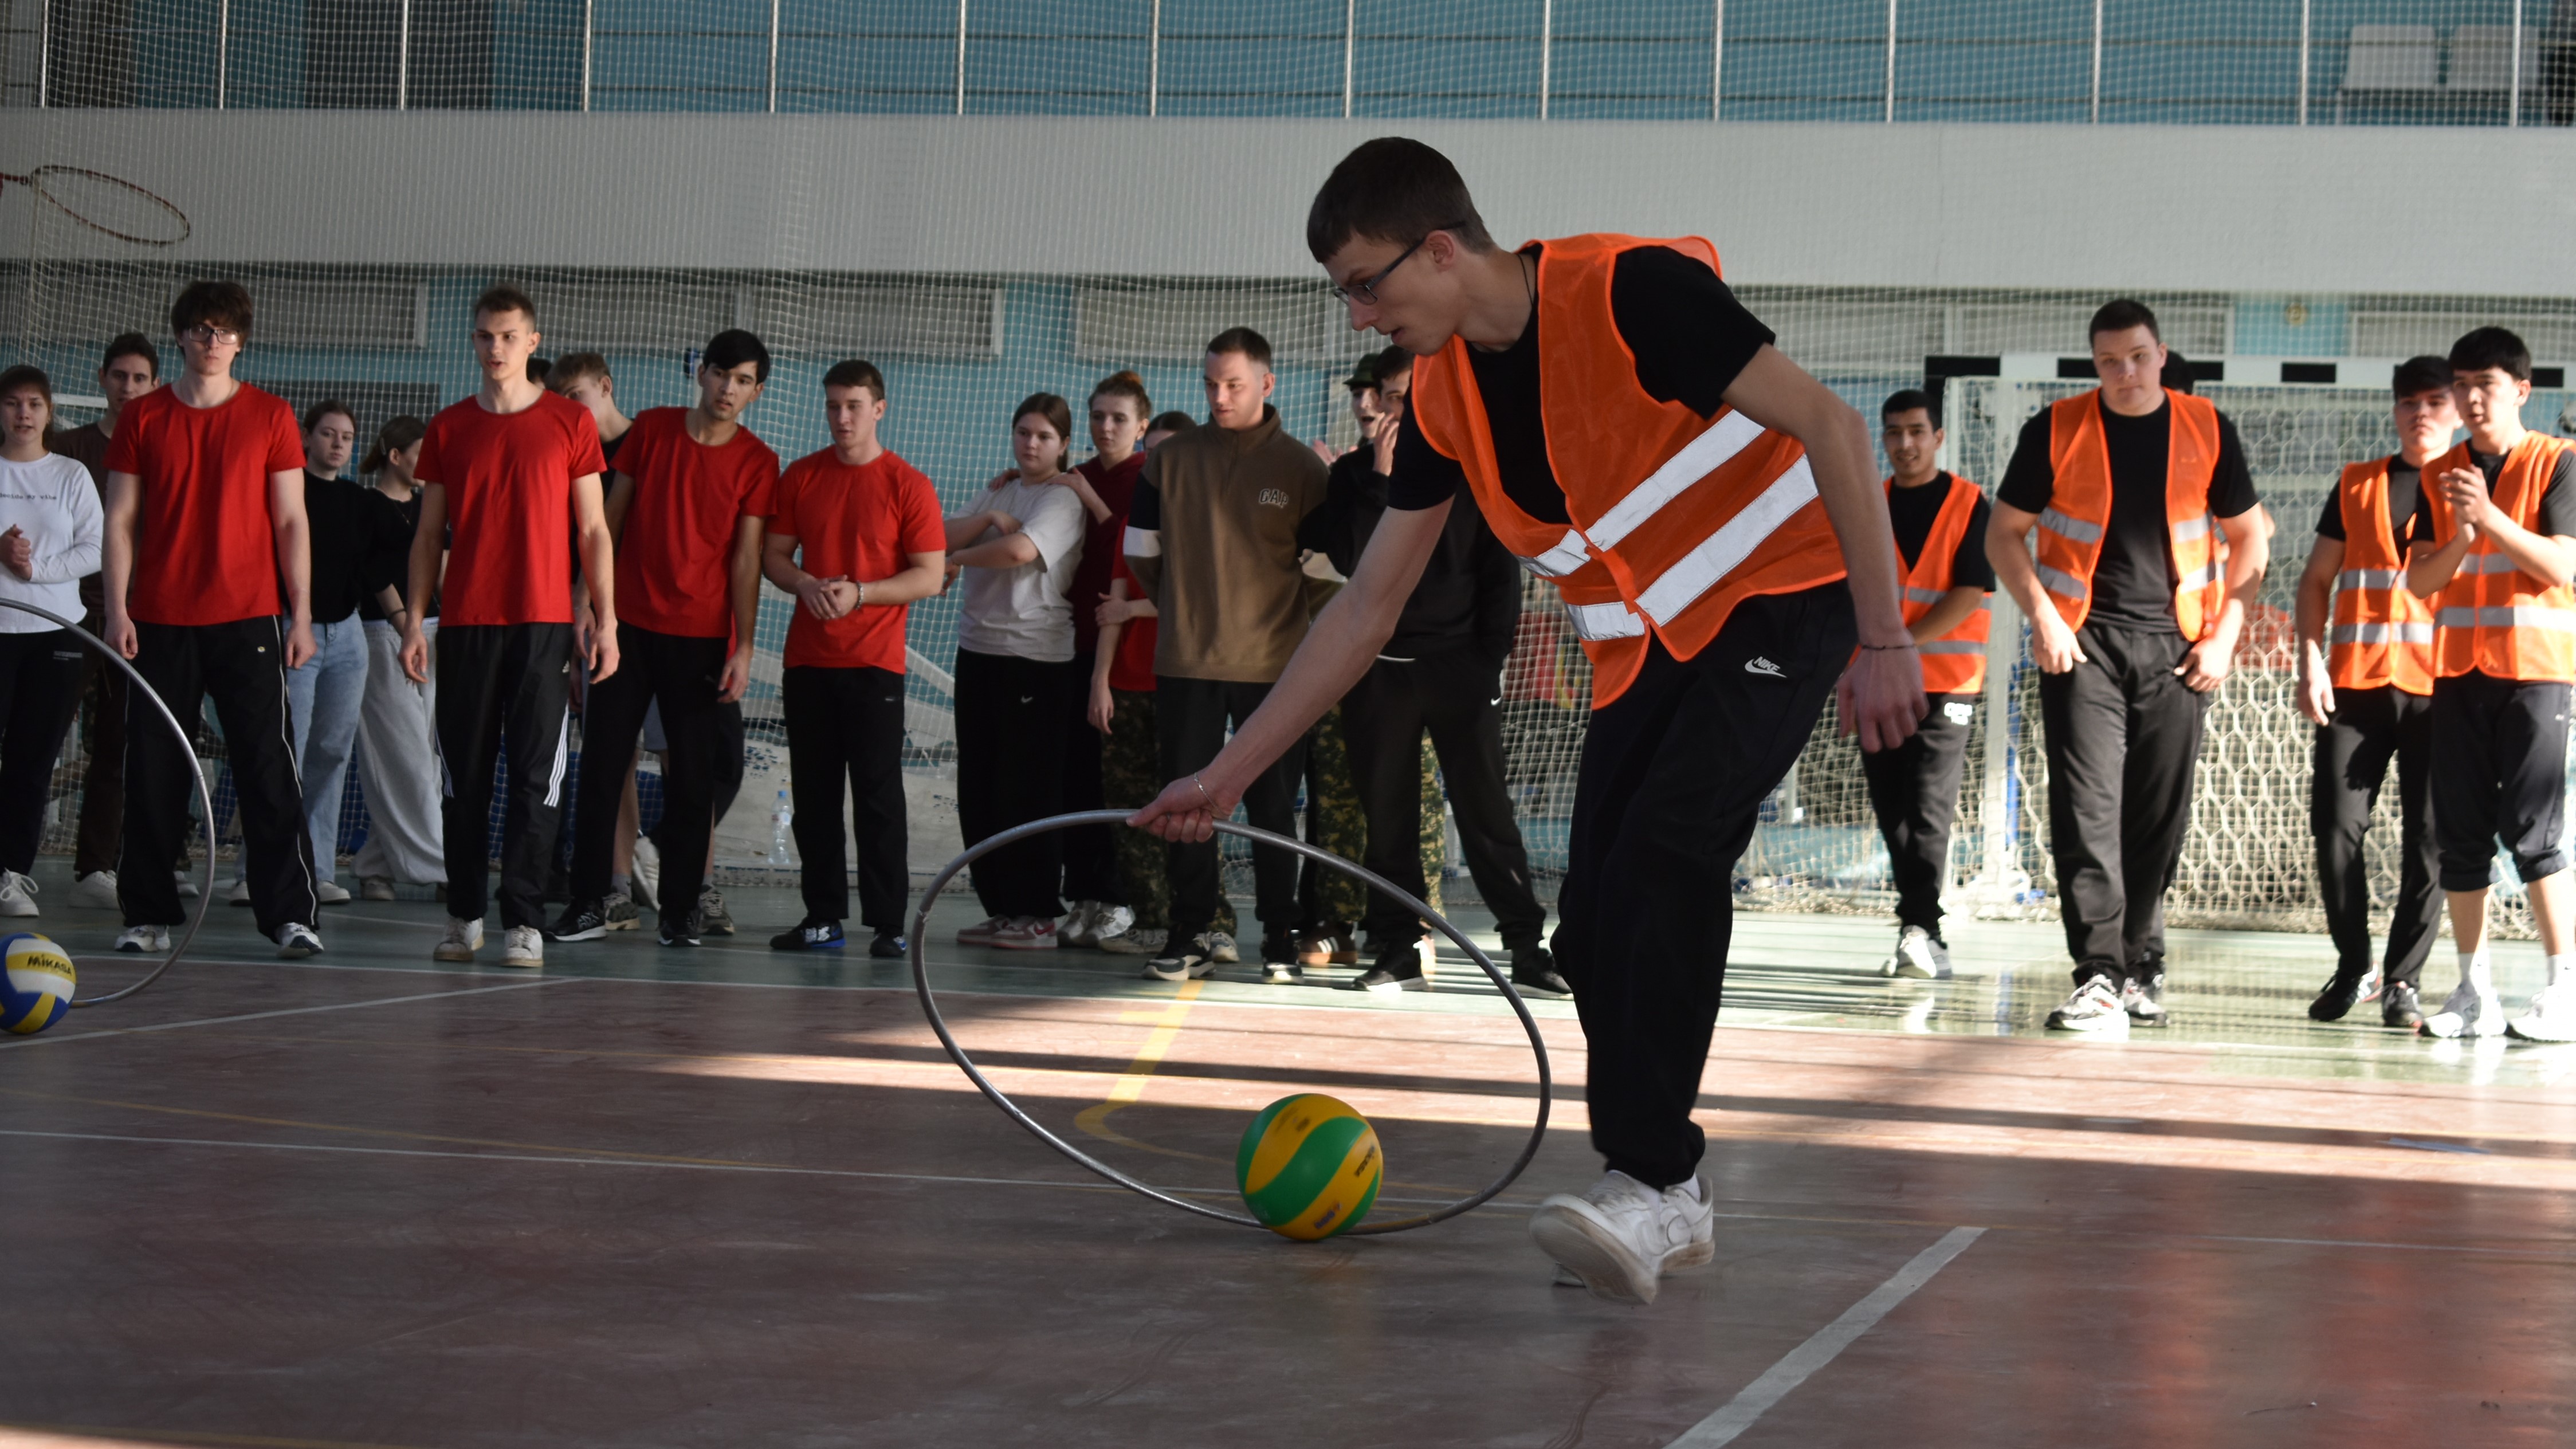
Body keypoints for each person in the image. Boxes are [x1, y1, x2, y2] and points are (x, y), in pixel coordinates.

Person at [1131, 139, 1923, 1304]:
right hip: (1647, 650)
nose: (1357, 316)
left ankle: (1650, 1179)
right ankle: (1674, 1197)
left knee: (1669, 843)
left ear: (1440, 249)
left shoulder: (1632, 294)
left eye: (1366, 284)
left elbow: (1835, 430)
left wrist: (1884, 636)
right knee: (1592, 925)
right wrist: (1224, 770)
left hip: (1783, 594)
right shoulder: (1443, 398)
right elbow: (1364, 609)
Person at [1988, 299, 2267, 1036]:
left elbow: (2249, 542)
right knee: (2086, 815)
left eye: (2137, 357)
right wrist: (2043, 618)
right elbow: (2003, 535)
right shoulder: (2053, 429)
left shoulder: (2207, 429)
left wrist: (2223, 637)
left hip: (2179, 652)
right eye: (2109, 361)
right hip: (2081, 647)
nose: (2125, 373)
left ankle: (2142, 965)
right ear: (2094, 364)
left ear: (2160, 354)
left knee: (2155, 821)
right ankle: (2099, 976)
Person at [1298, 344, 1558, 995]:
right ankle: (1399, 947)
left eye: (1404, 394)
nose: (1392, 408)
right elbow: (1359, 566)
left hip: (1456, 669)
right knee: (1387, 819)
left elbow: (1500, 578)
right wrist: (1384, 484)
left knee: (1485, 815)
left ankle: (1527, 949)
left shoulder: (1474, 469)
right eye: (1385, 396)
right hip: (1378, 671)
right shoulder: (1354, 477)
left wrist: (1485, 662)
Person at [100, 279, 325, 959]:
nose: (212, 341)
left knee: (266, 768)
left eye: (224, 331)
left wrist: (302, 615)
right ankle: (146, 915)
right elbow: (120, 520)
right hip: (160, 620)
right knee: (155, 771)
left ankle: (289, 914)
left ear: (241, 341)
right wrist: (117, 610)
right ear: (181, 336)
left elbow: (291, 520)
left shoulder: (270, 416)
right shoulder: (144, 419)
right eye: (200, 329)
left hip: (249, 620)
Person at [399, 285, 618, 969]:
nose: (495, 348)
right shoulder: (449, 428)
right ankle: (463, 914)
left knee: (534, 779)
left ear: (531, 341)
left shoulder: (569, 423)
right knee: (464, 777)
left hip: (545, 627)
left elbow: (592, 529)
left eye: (508, 336)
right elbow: (429, 533)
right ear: (474, 342)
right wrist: (413, 620)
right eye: (485, 336)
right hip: (464, 626)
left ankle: (523, 918)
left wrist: (605, 621)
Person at [549, 330, 775, 949]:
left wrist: (745, 645)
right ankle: (592, 900)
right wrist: (589, 605)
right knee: (600, 766)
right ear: (700, 374)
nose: (728, 389)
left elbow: (747, 560)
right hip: (627, 631)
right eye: (719, 374)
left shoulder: (759, 461)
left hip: (701, 640)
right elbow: (607, 523)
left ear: (757, 391)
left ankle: (680, 911)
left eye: (743, 380)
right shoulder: (650, 430)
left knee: (692, 779)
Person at [1125, 327, 1333, 984]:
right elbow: (1141, 550)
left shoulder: (1303, 468)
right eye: (1211, 383)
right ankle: (1192, 932)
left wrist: (1274, 627)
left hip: (1274, 670)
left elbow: (1326, 575)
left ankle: (1278, 936)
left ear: (1267, 385)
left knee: (1273, 808)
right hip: (1185, 661)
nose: (1219, 396)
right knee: (1186, 809)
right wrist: (1190, 610)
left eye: (1234, 385)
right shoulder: (1169, 459)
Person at [2402, 327, 2576, 1042]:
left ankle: (2563, 985)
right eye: (2462, 386)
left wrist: (2489, 518)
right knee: (2461, 839)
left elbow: (2560, 567)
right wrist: (2464, 535)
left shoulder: (2558, 462)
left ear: (2520, 391)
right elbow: (2417, 579)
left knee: (2534, 835)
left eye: (2488, 386)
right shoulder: (2438, 472)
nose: (2472, 400)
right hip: (2457, 673)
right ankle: (2472, 990)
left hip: (2535, 675)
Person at [763, 359, 946, 956]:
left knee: (876, 795)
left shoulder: (908, 484)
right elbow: (774, 557)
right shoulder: (801, 476)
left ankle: (890, 925)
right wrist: (806, 584)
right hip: (808, 663)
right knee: (813, 796)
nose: (842, 417)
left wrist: (862, 592)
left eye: (853, 406)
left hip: (875, 666)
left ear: (879, 409)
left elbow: (929, 576)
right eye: (833, 406)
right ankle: (822, 918)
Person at [2293, 358, 2455, 1028]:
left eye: (2433, 400)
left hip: (2441, 686)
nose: (2419, 412)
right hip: (2355, 682)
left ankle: (2402, 981)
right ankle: (2353, 962)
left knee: (2429, 839)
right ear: (2393, 410)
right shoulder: (2357, 484)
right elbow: (2314, 580)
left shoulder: (2477, 486)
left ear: (2457, 407)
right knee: (2333, 829)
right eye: (2407, 401)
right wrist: (2308, 657)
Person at [230, 400, 409, 909]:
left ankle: (320, 870)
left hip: (348, 639)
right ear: (307, 438)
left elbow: (382, 568)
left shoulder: (361, 502)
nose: (337, 444)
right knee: (286, 751)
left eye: (347, 437)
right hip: (292, 631)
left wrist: (405, 626)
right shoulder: (284, 490)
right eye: (328, 434)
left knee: (331, 752)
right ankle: (256, 871)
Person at [945, 394, 1089, 949]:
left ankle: (1036, 913)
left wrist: (953, 561)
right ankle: (1002, 907)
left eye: (1043, 436)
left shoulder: (1062, 499)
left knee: (1024, 791)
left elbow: (1019, 551)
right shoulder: (1001, 487)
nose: (1030, 444)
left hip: (1034, 660)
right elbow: (939, 533)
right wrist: (983, 517)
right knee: (978, 788)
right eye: (1023, 432)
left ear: (1062, 445)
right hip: (976, 651)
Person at [1860, 390, 1993, 980]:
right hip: (1877, 683)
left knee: (1928, 806)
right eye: (1893, 433)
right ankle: (1917, 923)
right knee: (1891, 808)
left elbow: (1969, 590)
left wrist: (1899, 646)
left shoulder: (1969, 503)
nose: (1904, 444)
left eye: (1916, 431)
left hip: (1948, 682)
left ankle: (1920, 927)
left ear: (1938, 437)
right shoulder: (1866, 503)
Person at [48, 332, 162, 910]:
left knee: (120, 745)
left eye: (140, 378)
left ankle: (97, 864)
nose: (128, 387)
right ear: (101, 380)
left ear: (153, 386)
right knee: (36, 738)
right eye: (120, 376)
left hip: (133, 617)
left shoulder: (160, 448)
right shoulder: (65, 448)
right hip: (63, 613)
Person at [548, 351, 658, 914]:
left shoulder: (649, 444)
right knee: (611, 755)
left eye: (577, 395)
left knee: (704, 762)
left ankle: (650, 852)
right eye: (559, 399)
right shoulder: (568, 455)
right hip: (602, 624)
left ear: (606, 387)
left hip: (662, 622)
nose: (569, 409)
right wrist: (582, 613)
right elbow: (582, 544)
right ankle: (615, 879)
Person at [1055, 372, 1154, 950]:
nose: (1105, 427)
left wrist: (1082, 494)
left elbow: (1121, 538)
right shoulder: (1079, 474)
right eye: (1096, 417)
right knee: (1076, 779)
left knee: (1117, 781)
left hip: (1123, 650)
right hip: (1072, 644)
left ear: (1141, 426)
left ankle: (1120, 898)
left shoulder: (1147, 477)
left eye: (1118, 418)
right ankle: (1086, 895)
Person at [0, 367, 102, 916]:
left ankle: (10, 873)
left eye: (33, 404)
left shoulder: (71, 473)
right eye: (12, 403)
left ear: (48, 412)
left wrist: (34, 569)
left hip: (55, 633)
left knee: (32, 758)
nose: (23, 414)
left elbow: (96, 547)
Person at [349, 415, 445, 900]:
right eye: (421, 453)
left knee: (425, 756)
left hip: (431, 632)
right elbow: (373, 571)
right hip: (384, 634)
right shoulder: (368, 505)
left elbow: (439, 564)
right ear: (396, 456)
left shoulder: (429, 505)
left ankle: (373, 863)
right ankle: (441, 866)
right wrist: (405, 623)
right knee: (404, 753)